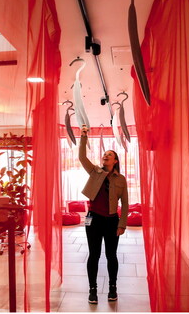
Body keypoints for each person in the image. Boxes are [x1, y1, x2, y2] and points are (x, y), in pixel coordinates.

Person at [79, 125, 129, 304]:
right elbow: (82, 157)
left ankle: (112, 288)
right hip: (92, 219)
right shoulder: (94, 171)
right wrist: (83, 135)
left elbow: (125, 203)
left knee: (111, 255)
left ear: (115, 160)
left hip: (111, 221)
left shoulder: (121, 179)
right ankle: (92, 289)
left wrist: (122, 224)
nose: (105, 155)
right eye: (104, 154)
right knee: (94, 254)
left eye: (110, 154)